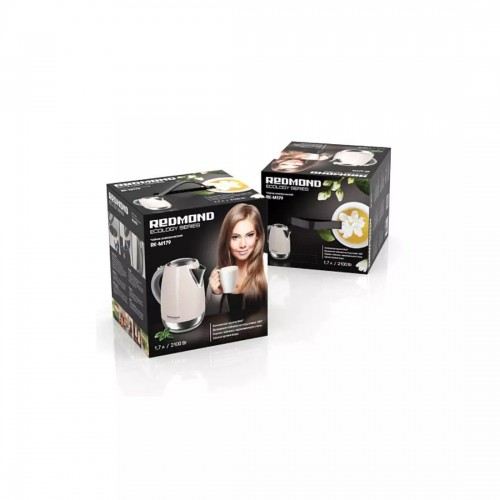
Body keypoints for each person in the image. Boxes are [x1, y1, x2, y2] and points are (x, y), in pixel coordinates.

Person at [206, 204, 267, 313]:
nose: (243, 244)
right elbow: (211, 319)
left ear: (258, 236)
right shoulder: (217, 275)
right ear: (226, 240)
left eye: (249, 235)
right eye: (235, 237)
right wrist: (215, 294)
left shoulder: (267, 265)